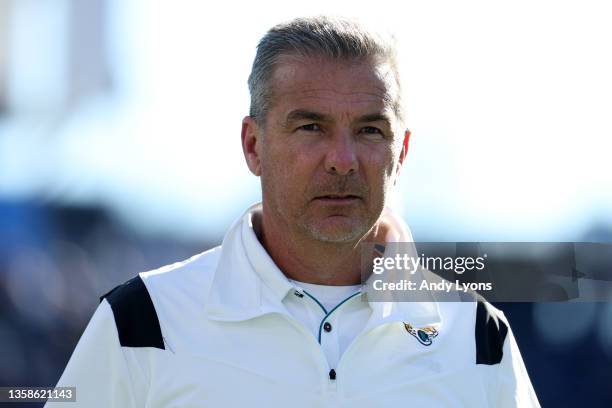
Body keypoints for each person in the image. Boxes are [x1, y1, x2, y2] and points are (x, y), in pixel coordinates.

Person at [46, 16, 540, 407]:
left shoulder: (478, 336)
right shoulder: (142, 322)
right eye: (310, 127)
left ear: (402, 151)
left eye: (370, 130)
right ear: (253, 145)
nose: (342, 160)